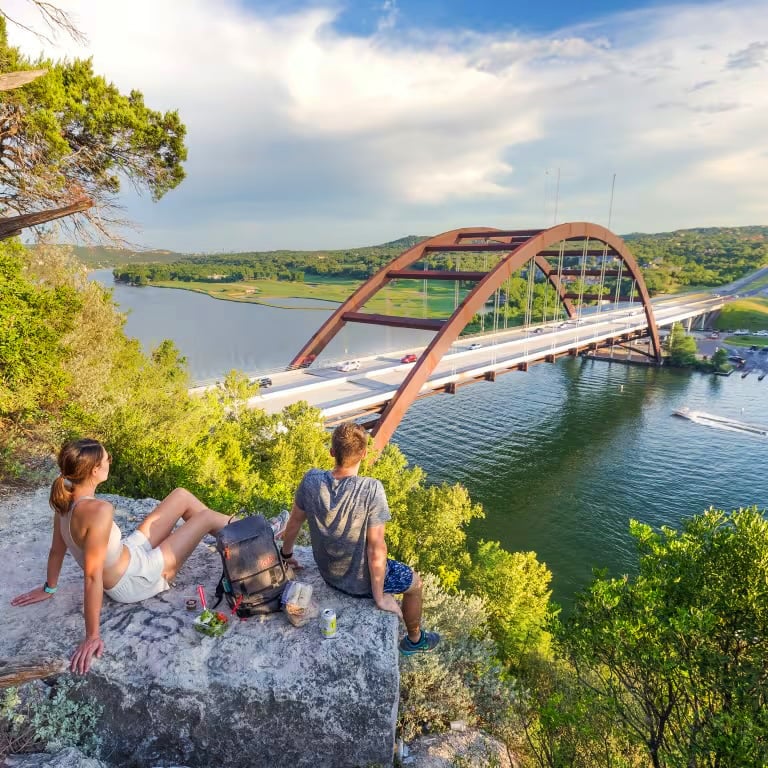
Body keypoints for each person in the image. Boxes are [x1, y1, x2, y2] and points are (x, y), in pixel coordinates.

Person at [11, 438, 232, 674]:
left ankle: (248, 533)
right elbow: (92, 576)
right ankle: (253, 536)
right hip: (135, 579)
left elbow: (57, 550)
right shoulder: (99, 511)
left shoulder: (65, 502)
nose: (110, 462)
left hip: (129, 553)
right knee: (206, 517)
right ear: (96, 470)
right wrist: (92, 636)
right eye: (108, 459)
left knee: (181, 496)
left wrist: (49, 588)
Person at [280, 422, 440, 655]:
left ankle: (412, 636)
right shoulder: (371, 489)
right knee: (415, 584)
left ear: (332, 452)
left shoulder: (311, 481)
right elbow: (377, 548)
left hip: (328, 575)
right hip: (360, 583)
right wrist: (380, 597)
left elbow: (294, 522)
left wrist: (286, 555)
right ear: (364, 454)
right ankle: (415, 639)